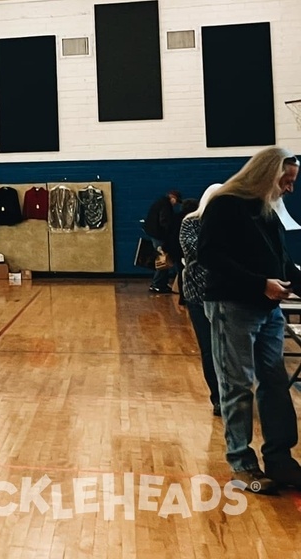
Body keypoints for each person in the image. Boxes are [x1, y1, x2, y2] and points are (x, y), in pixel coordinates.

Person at [198, 147, 301, 494]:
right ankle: (241, 464)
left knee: (274, 383)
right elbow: (208, 256)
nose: (289, 189)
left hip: (268, 310)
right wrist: (259, 284)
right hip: (233, 307)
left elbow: (283, 263)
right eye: (285, 182)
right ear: (267, 174)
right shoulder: (225, 204)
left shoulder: (267, 210)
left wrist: (286, 284)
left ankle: (280, 459)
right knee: (237, 386)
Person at [177, 191, 220, 417]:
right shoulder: (190, 223)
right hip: (198, 296)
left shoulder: (232, 224)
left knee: (230, 351)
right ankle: (218, 398)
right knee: (209, 348)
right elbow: (199, 253)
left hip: (228, 297)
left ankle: (234, 394)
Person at [143, 189, 181, 293]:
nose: (175, 204)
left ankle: (161, 284)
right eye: (176, 201)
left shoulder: (160, 202)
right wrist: (169, 235)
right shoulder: (166, 205)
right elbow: (164, 222)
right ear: (173, 198)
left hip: (154, 234)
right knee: (163, 260)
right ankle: (157, 284)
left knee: (162, 260)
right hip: (159, 236)